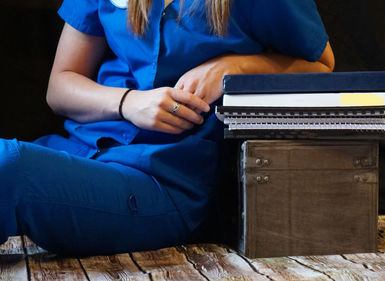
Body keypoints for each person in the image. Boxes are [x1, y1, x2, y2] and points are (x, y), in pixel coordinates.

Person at [0, 0, 334, 255]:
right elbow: (59, 87)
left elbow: (321, 66)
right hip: (75, 153)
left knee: (7, 167)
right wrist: (128, 103)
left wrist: (238, 66)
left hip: (162, 181)